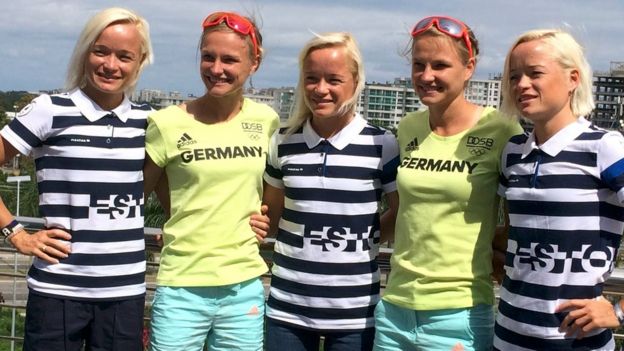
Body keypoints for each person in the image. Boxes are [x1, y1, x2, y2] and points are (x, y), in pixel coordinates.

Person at [0, 7, 153, 350]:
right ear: (85, 52)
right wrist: (16, 233)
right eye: (101, 51)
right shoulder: (49, 109)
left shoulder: (151, 121)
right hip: (58, 291)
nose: (110, 65)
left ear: (139, 62)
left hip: (124, 293)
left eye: (124, 56)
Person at [372, 16, 523, 351]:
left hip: (459, 313)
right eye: (418, 65)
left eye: (440, 65)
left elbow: (521, 220)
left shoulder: (502, 130)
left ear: (468, 68)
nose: (427, 76)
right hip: (394, 306)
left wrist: (496, 256)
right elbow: (403, 213)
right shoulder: (409, 126)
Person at [254, 32, 399, 351]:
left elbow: (402, 212)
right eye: (311, 78)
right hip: (287, 308)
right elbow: (272, 216)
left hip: (355, 314)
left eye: (333, 79)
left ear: (356, 80)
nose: (321, 89)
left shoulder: (381, 144)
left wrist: (368, 238)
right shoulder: (282, 142)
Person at [143, 11, 278, 351]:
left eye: (230, 59)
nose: (216, 69)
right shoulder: (166, 123)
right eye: (208, 57)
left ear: (254, 63)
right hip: (181, 283)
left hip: (243, 283)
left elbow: (274, 190)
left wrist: (268, 220)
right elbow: (137, 195)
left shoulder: (267, 120)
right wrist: (180, 218)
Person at [494, 28, 624, 351]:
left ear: (572, 79)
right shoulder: (512, 154)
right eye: (514, 76)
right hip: (507, 336)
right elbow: (511, 235)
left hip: (577, 343)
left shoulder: (605, 148)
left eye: (535, 73)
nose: (521, 84)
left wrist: (619, 311)